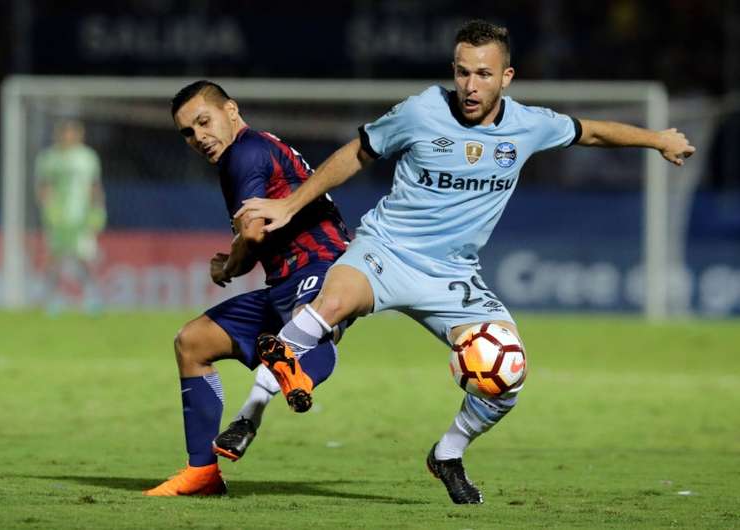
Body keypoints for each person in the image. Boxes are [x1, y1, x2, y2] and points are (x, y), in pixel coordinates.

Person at [235, 19, 696, 504]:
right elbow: (358, 152)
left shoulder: (529, 125)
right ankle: (250, 415)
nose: (470, 86)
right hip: (386, 252)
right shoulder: (420, 111)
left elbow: (594, 133)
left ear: (507, 77)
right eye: (461, 73)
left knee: (508, 376)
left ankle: (448, 454)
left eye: (482, 74)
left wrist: (658, 139)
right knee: (330, 305)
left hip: (454, 275)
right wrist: (290, 205)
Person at [144, 81, 352, 496]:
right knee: (193, 343)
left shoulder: (245, 151)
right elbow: (262, 232)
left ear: (231, 111)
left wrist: (230, 265)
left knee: (306, 327)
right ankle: (202, 473)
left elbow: (254, 234)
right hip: (284, 278)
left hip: (323, 266)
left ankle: (297, 376)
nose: (199, 137)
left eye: (204, 122)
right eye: (188, 132)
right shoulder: (250, 153)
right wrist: (236, 256)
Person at [34, 120, 106, 313]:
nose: (69, 137)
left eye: (72, 133)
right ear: (59, 135)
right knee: (54, 258)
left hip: (81, 217)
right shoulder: (48, 158)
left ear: (79, 136)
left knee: (84, 257)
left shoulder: (87, 157)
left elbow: (94, 186)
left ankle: (92, 298)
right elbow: (43, 187)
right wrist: (48, 209)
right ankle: (51, 299)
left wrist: (98, 209)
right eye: (65, 133)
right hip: (57, 218)